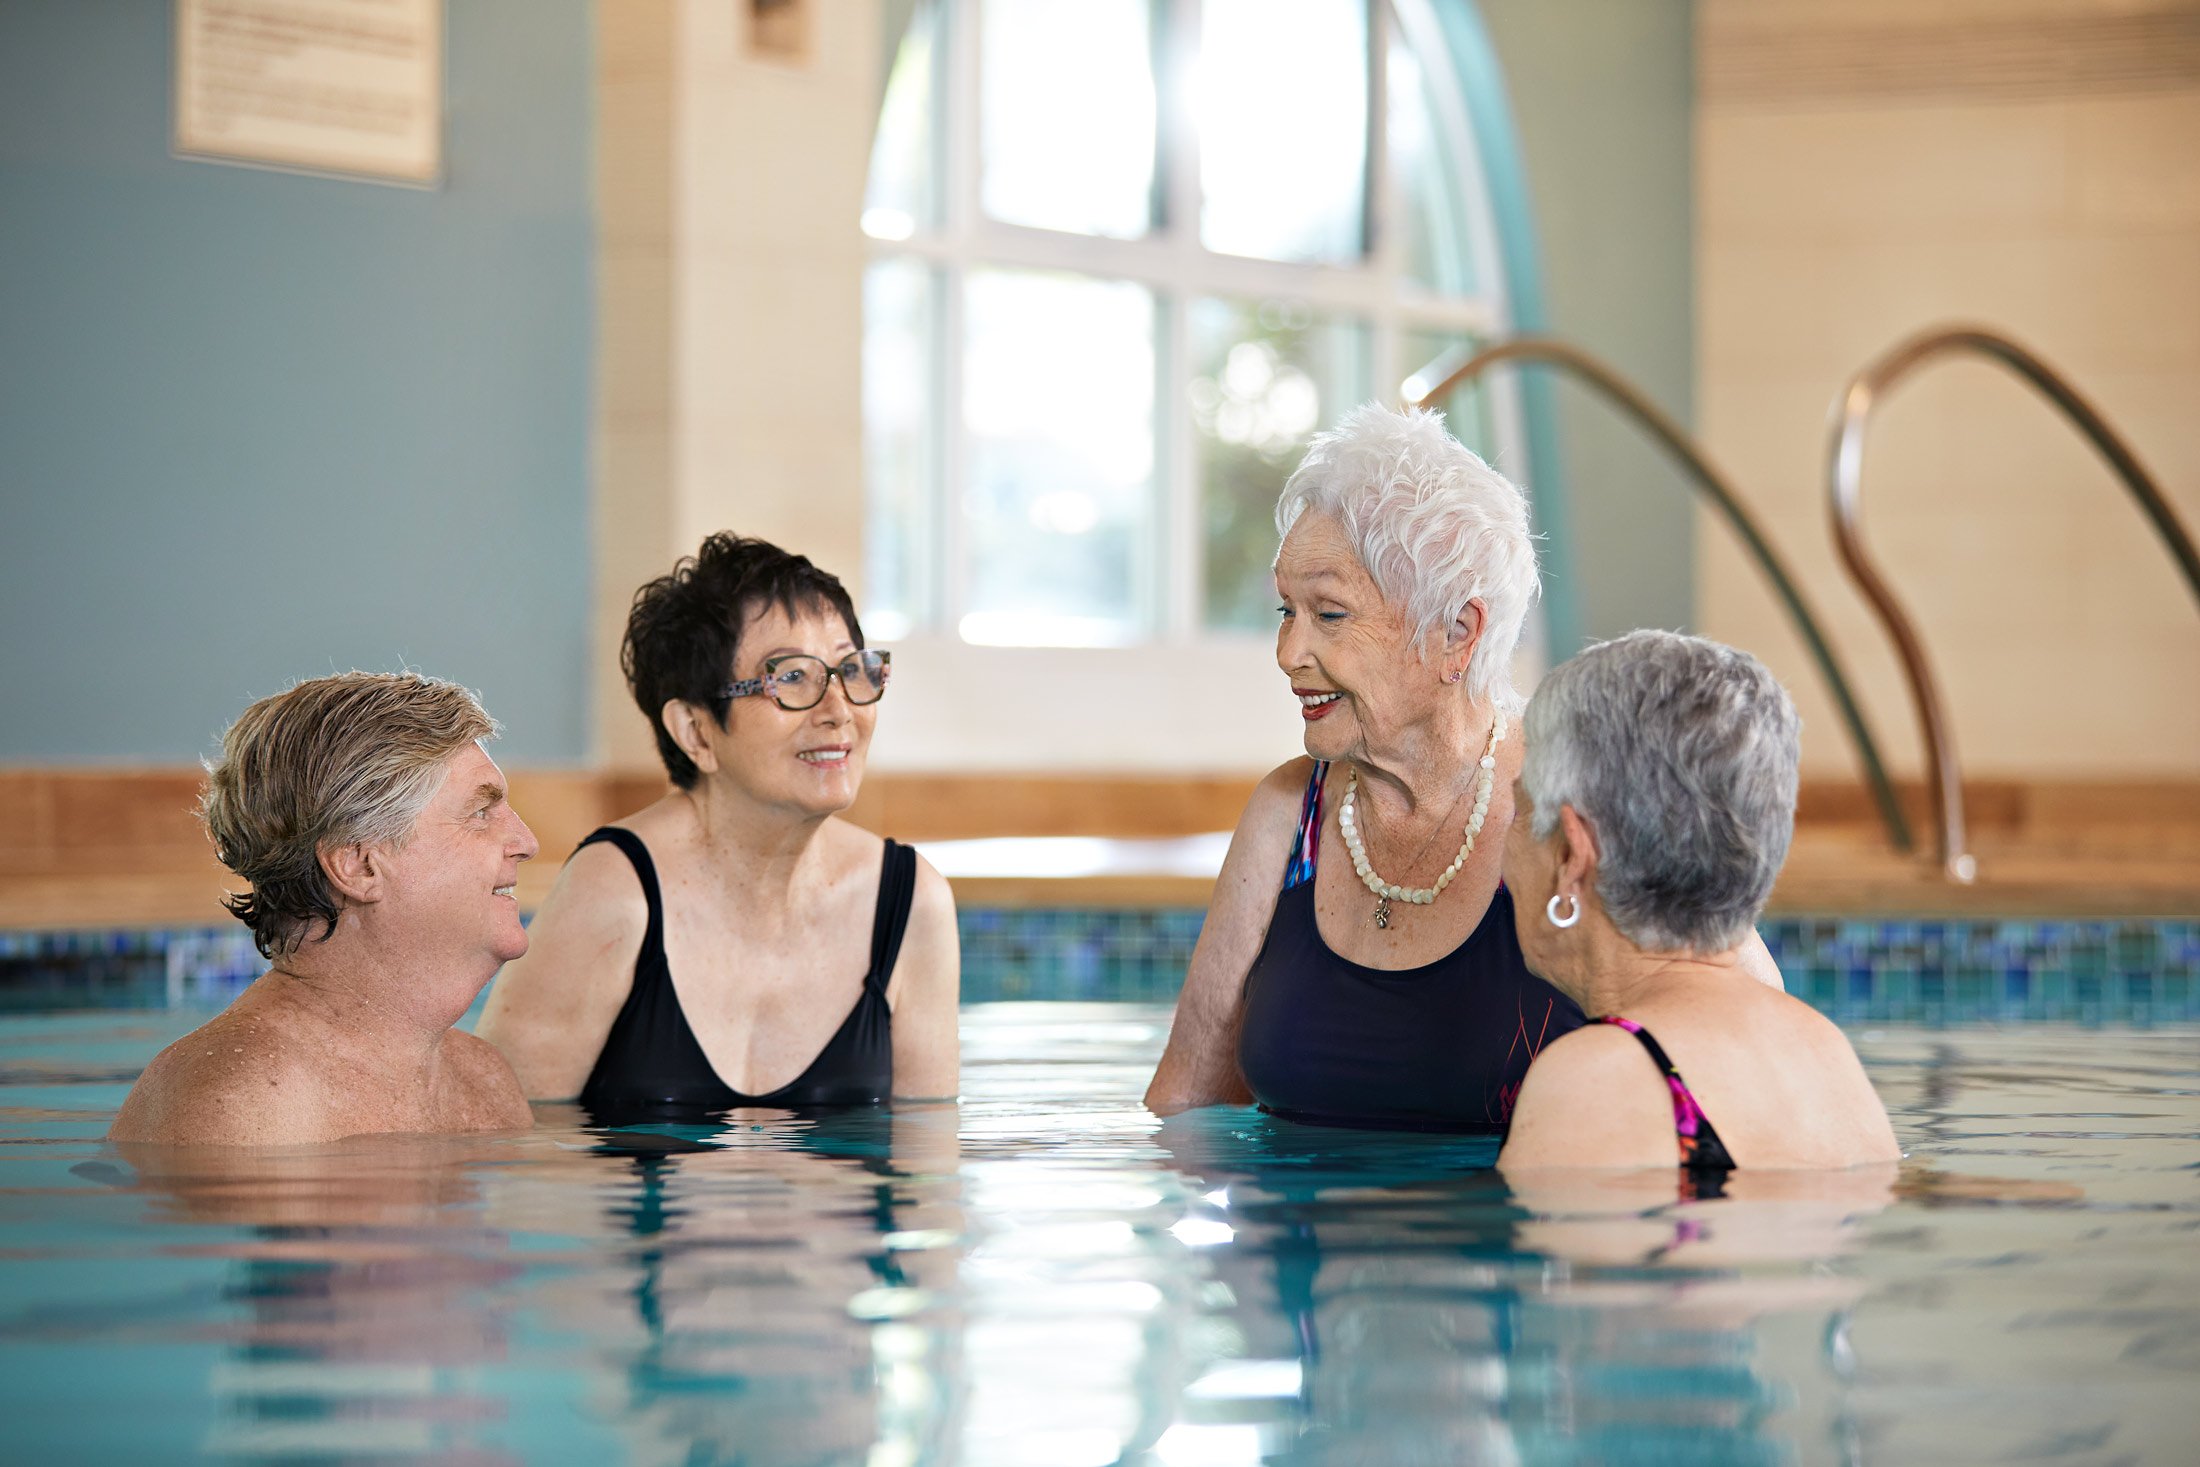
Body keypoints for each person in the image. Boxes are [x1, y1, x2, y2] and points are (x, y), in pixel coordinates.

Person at [1145, 404, 1592, 1131]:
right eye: (1286, 611)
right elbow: (1185, 1105)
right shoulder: (1288, 814)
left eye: (1329, 614)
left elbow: (1726, 1042)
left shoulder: (1573, 811)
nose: (1289, 653)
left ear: (1456, 633)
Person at [477, 534, 958, 1117]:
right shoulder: (616, 893)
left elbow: (925, 1168)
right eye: (791, 677)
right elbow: (518, 1148)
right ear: (697, 732)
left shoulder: (911, 904)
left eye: (851, 670)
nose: (840, 710)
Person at [1497, 630, 1901, 1177]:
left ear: (1573, 853)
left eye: (1517, 809)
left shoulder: (1601, 1080)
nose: (1501, 843)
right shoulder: (1824, 1053)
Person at [108, 673, 539, 1145]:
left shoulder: (485, 1082)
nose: (526, 843)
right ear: (358, 865)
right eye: (480, 813)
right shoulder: (244, 1108)